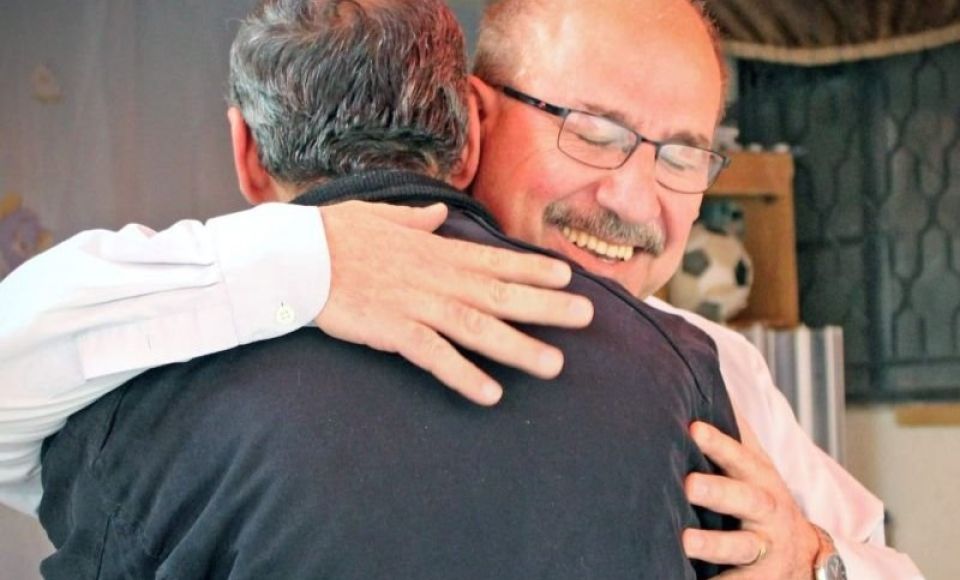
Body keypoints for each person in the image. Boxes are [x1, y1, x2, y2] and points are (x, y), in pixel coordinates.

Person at [0, 0, 922, 578]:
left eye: (683, 154)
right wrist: (311, 262)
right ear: (474, 119)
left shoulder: (711, 366)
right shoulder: (185, 310)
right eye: (595, 133)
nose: (636, 200)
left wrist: (817, 564)